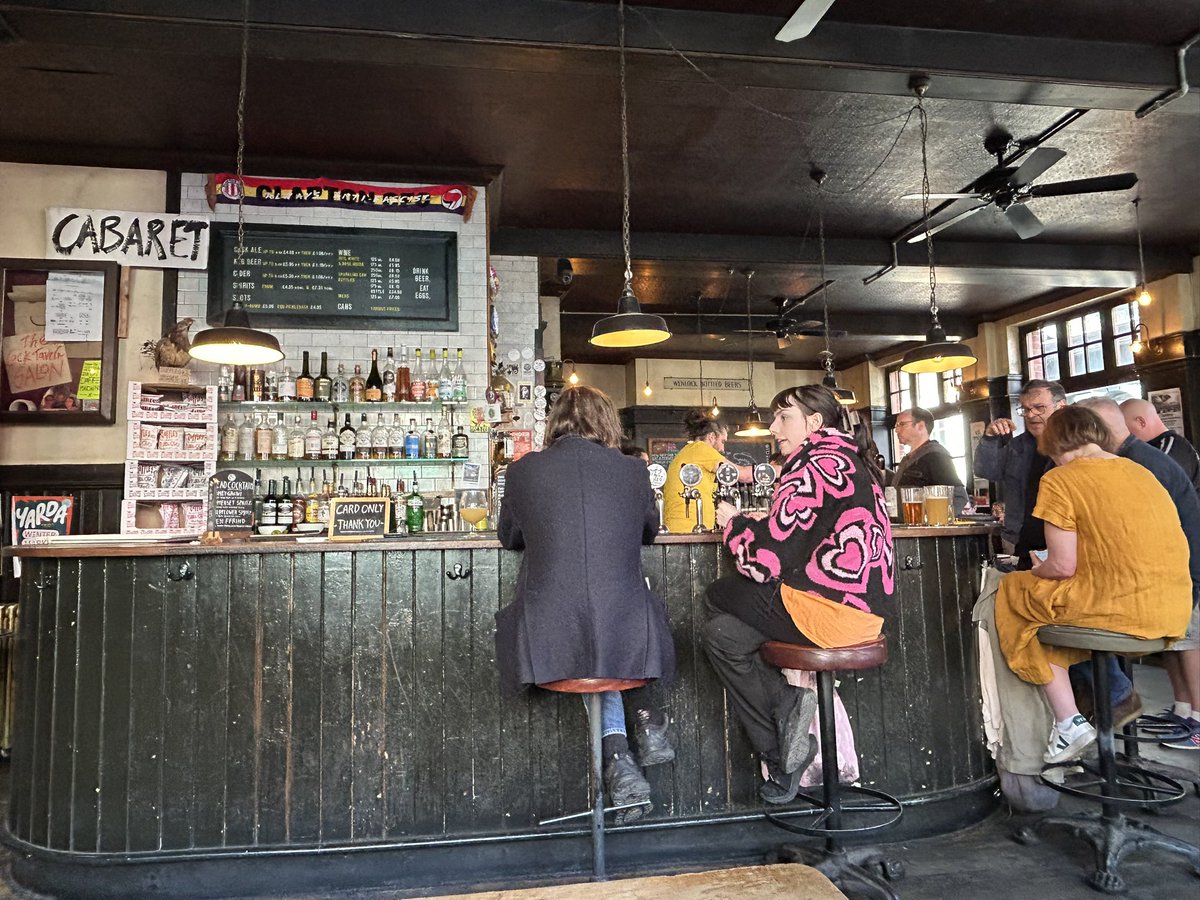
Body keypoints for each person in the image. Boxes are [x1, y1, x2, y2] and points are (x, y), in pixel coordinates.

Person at [702, 384, 894, 804]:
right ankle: (788, 748)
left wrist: (733, 523)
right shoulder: (846, 459)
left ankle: (785, 717)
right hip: (863, 614)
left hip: (826, 611)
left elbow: (764, 562)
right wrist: (767, 521)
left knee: (718, 596)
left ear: (814, 423)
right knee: (722, 636)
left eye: (782, 418)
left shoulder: (812, 464)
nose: (773, 428)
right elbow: (808, 536)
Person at [495, 385, 676, 821]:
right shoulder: (633, 470)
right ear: (608, 424)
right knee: (618, 624)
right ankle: (648, 718)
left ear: (554, 424)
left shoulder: (522, 471)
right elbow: (648, 531)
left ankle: (618, 755)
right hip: (627, 627)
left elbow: (509, 537)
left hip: (547, 630)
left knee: (585, 636)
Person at [995, 406, 1192, 765]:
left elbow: (1062, 565)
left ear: (1051, 442)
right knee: (1048, 609)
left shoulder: (1060, 479)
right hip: (1172, 609)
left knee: (1014, 593)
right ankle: (1101, 699)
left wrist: (1036, 569)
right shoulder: (1139, 471)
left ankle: (1067, 720)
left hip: (1117, 611)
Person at [1081, 398, 1200, 751]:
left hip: (1184, 568)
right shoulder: (1133, 458)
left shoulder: (1141, 462)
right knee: (1176, 644)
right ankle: (1182, 709)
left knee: (1189, 642)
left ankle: (1198, 719)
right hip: (1173, 569)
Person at [973, 379, 1067, 557]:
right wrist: (990, 438)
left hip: (1064, 538)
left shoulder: (1075, 445)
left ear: (1061, 406)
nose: (1031, 415)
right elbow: (986, 471)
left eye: (1039, 408)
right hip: (1020, 538)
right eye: (1025, 409)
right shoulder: (1017, 446)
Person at [662, 410, 753, 532]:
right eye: (722, 441)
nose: (723, 448)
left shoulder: (689, 450)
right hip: (690, 529)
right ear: (712, 437)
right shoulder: (701, 449)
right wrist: (779, 470)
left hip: (683, 528)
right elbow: (743, 475)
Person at [893, 406, 969, 514]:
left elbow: (958, 496)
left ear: (920, 426)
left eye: (902, 424)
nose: (896, 430)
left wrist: (936, 523)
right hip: (907, 527)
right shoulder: (907, 460)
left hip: (922, 528)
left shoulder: (936, 456)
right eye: (896, 425)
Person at [1121, 397, 1200, 491]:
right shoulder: (1156, 447)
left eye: (1124, 426)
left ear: (1141, 422)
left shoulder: (1172, 448)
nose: (1123, 433)